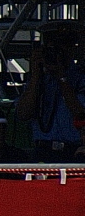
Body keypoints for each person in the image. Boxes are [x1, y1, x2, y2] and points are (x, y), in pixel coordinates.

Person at [16, 26, 85, 161]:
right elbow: (23, 114)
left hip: (73, 150)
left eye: (61, 47)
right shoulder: (40, 81)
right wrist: (36, 75)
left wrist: (62, 77)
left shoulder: (81, 78)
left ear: (71, 48)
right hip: (43, 150)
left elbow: (81, 113)